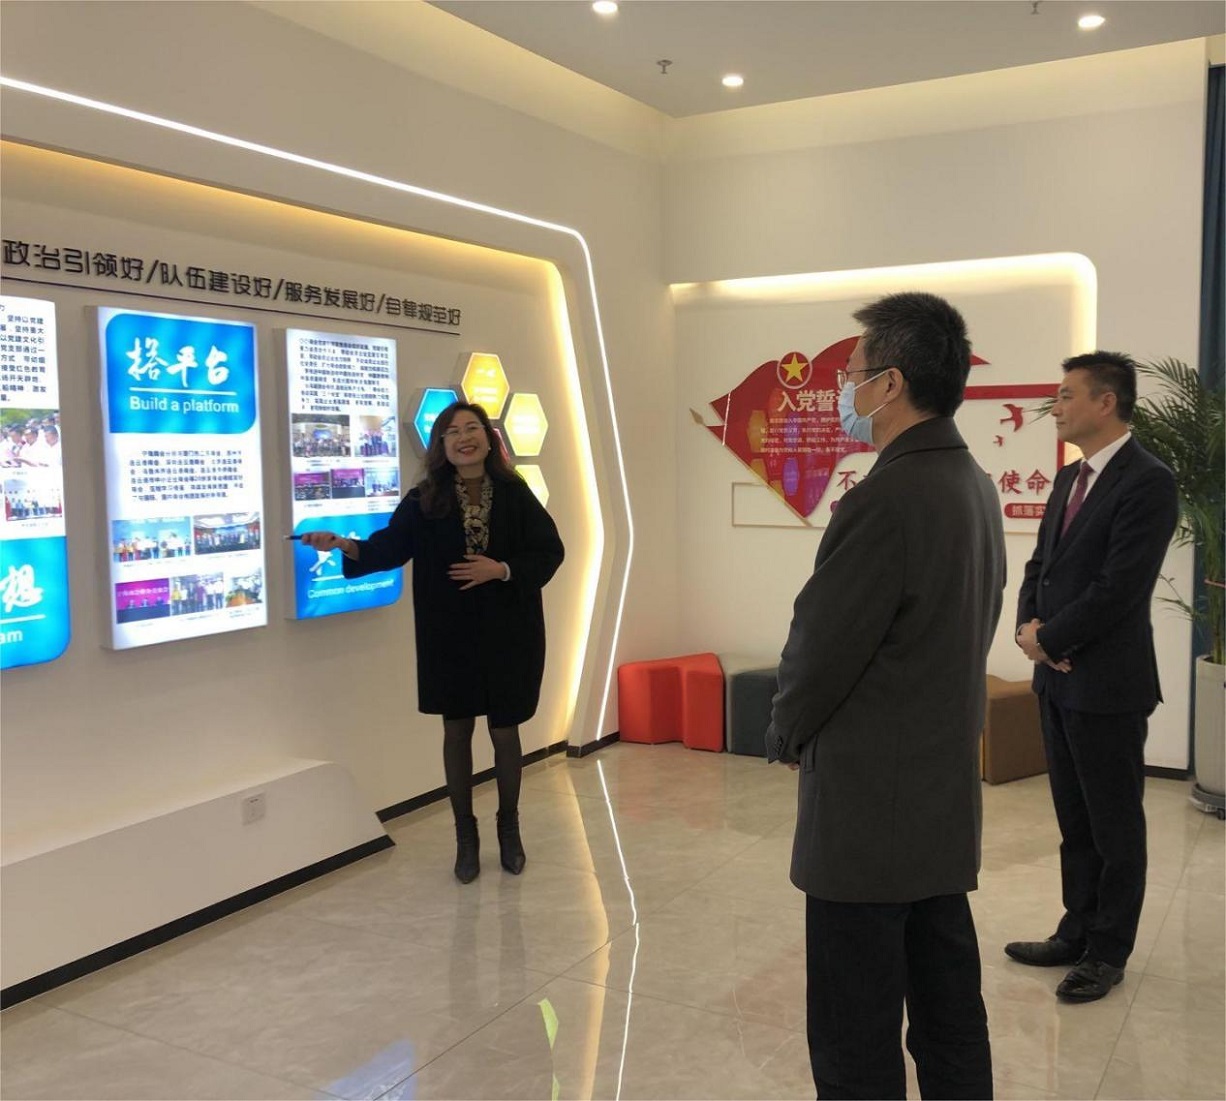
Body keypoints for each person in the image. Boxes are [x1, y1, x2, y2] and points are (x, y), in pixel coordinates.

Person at [766, 292, 1004, 1100]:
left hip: (868, 819)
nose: (845, 390)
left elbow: (819, 648)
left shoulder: (886, 498)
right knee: (948, 1016)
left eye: (852, 373)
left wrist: (786, 731)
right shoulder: (973, 483)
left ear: (892, 382)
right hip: (940, 803)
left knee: (853, 1036)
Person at [302, 401, 564, 884]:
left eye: (472, 428)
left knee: (505, 731)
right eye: (452, 431)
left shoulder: (515, 491)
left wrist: (502, 569)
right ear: (441, 444)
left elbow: (550, 550)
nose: (464, 437)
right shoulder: (425, 498)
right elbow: (388, 547)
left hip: (510, 630)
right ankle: (466, 837)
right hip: (450, 633)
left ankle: (509, 829)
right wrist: (343, 544)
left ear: (488, 438)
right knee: (456, 729)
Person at [1005, 351, 1178, 1003]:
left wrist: (1050, 639)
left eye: (1066, 395)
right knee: (1074, 820)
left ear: (1106, 402)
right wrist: (1029, 630)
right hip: (1057, 681)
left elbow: (1119, 588)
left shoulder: (1148, 481)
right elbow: (1040, 567)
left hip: (1108, 684)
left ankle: (1108, 951)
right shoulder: (1067, 479)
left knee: (1114, 826)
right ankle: (1075, 930)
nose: (1055, 406)